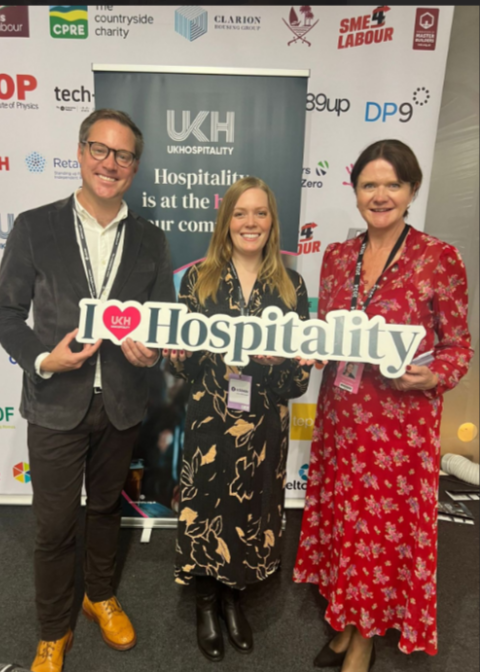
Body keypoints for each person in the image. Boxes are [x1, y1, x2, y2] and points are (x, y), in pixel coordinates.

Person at [0, 109, 175, 672]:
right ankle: (52, 629)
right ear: (80, 151)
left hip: (122, 402)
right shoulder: (34, 226)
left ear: (135, 166)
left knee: (105, 509)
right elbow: (4, 313)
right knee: (53, 526)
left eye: (123, 155)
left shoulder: (150, 239)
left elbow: (163, 321)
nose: (109, 163)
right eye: (100, 149)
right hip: (54, 402)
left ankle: (99, 595)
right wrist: (43, 359)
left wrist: (153, 350)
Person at [293, 139, 473, 671]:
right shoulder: (337, 257)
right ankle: (345, 619)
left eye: (392, 184)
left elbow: (458, 345)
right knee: (345, 525)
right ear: (355, 192)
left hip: (399, 427)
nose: (380, 195)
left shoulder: (439, 258)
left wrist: (435, 375)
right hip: (341, 417)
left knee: (377, 533)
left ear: (412, 190)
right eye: (369, 184)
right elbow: (329, 331)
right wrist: (311, 350)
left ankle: (364, 638)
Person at [164, 177, 312, 662]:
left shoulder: (292, 286)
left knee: (252, 509)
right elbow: (182, 368)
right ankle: (206, 602)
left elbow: (297, 383)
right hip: (209, 419)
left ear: (272, 221)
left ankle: (234, 598)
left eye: (260, 213)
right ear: (226, 221)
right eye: (240, 213)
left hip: (264, 424)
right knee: (207, 506)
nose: (251, 222)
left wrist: (286, 363)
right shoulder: (198, 279)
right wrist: (178, 355)